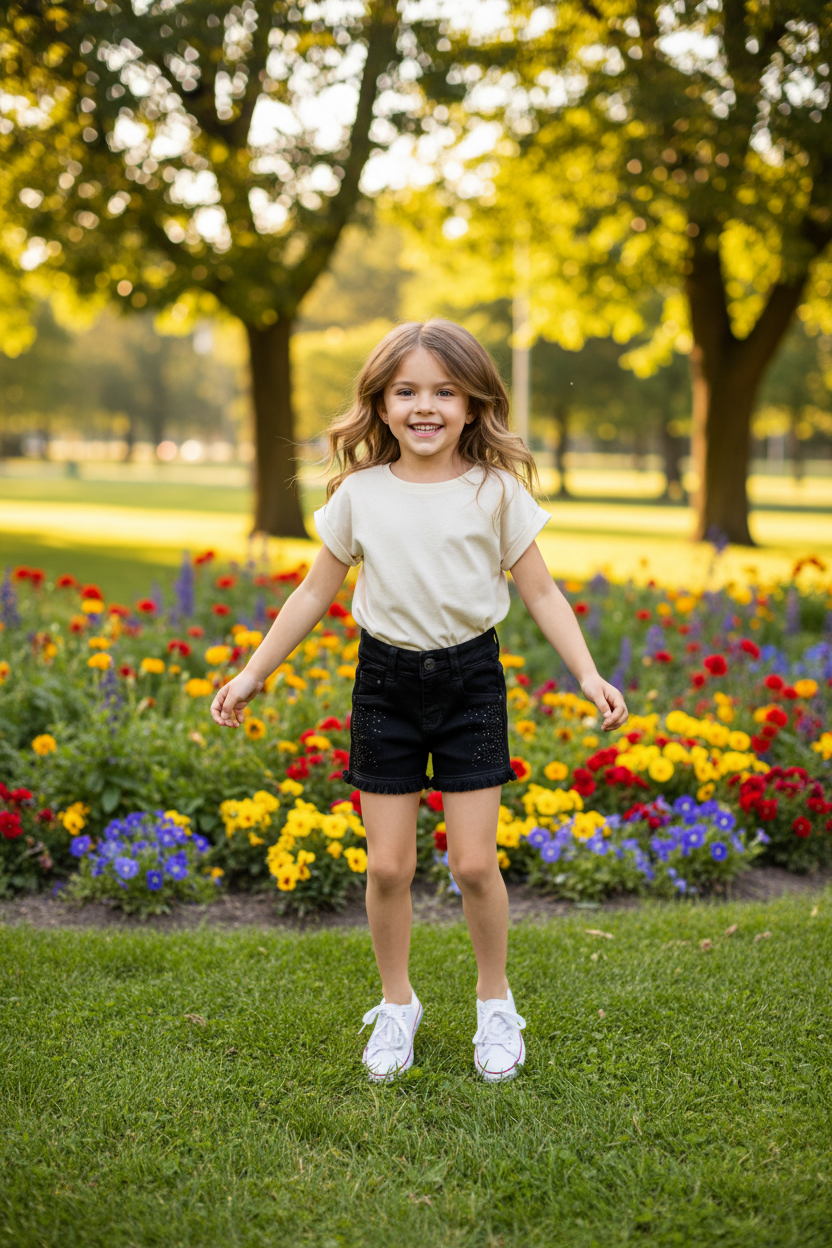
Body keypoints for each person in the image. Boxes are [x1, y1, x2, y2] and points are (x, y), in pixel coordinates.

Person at [210, 319, 628, 1083]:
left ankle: (495, 1004)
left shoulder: (495, 491)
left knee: (473, 864)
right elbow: (312, 594)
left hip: (472, 683)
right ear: (381, 403)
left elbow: (538, 588)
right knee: (390, 868)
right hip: (385, 688)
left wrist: (588, 672)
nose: (425, 405)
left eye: (444, 390)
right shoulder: (359, 495)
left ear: (473, 404)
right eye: (407, 391)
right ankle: (397, 1005)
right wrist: (251, 674)